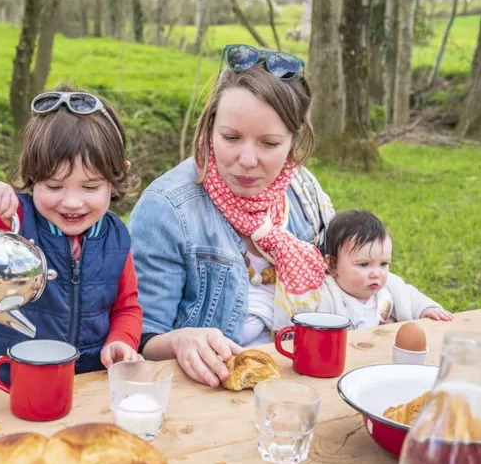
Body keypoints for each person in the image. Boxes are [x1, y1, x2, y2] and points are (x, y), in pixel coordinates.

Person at [0, 86, 143, 392]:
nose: (72, 202)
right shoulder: (9, 220)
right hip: (0, 388)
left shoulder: (116, 237)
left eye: (90, 187)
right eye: (54, 186)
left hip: (83, 390)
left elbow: (127, 307)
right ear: (32, 175)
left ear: (116, 179)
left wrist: (121, 340)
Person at [127, 44, 336, 388]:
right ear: (210, 127)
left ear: (295, 136)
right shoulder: (167, 208)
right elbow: (140, 338)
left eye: (269, 144)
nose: (248, 159)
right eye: (231, 137)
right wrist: (181, 341)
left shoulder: (302, 193)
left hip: (296, 385)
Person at [317, 209, 453, 329]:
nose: (376, 273)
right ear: (332, 265)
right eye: (364, 264)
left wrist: (426, 309)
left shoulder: (389, 288)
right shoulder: (327, 297)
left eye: (383, 264)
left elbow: (410, 296)